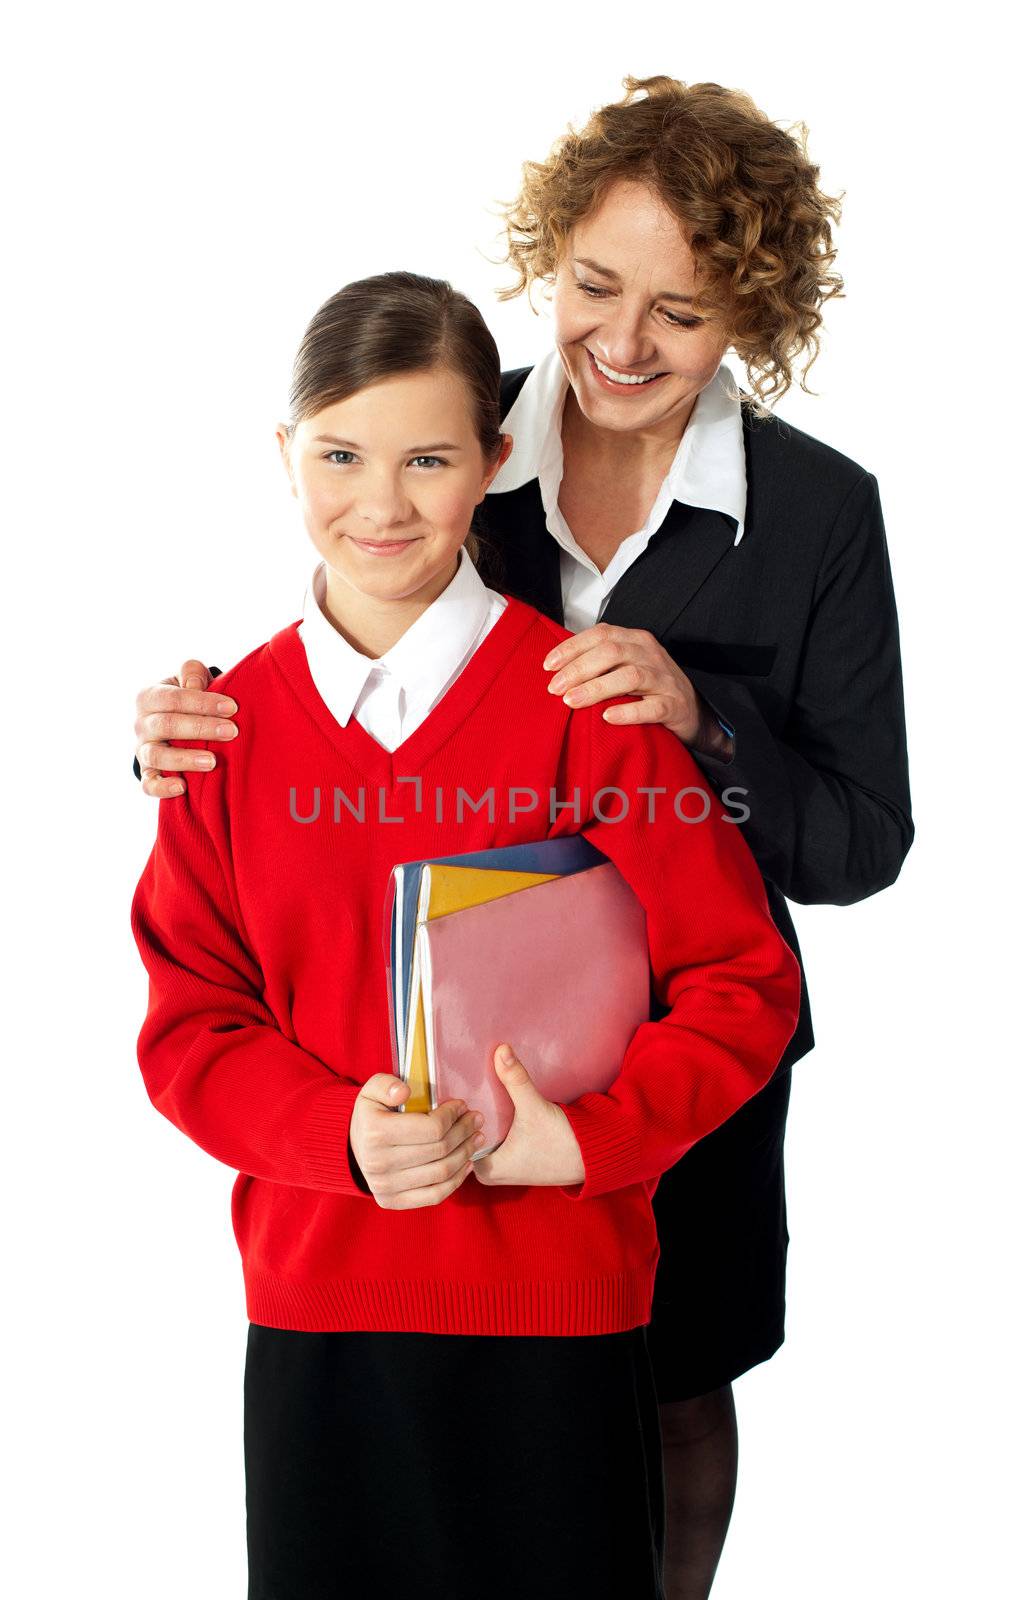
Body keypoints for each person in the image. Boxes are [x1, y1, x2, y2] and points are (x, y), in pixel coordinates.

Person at [130, 76, 913, 1600]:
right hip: (379, 1163)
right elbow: (351, 584)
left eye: (679, 311)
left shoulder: (816, 517)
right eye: (594, 290)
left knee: (673, 1399)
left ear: (749, 313)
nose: (623, 343)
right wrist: (175, 730)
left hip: (664, 1056)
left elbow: (857, 839)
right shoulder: (458, 437)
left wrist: (698, 728)